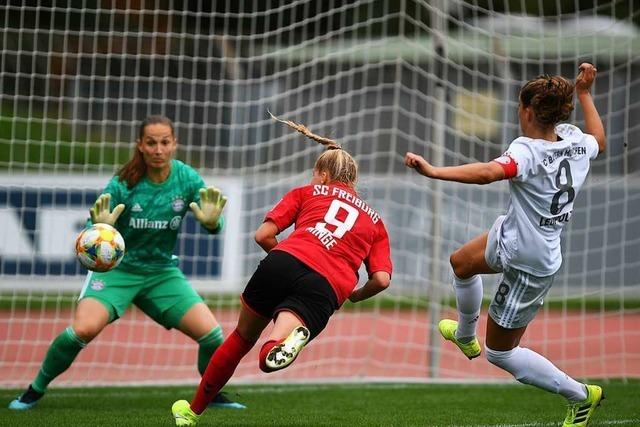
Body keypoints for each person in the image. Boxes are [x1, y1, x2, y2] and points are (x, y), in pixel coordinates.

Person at [405, 63, 606, 427]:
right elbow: (600, 142)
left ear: (527, 111)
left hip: (530, 262)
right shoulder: (576, 141)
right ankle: (466, 337)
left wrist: (434, 171)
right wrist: (586, 94)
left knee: (500, 353)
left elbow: (488, 173)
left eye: (518, 107)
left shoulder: (527, 151)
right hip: (513, 234)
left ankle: (581, 396)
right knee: (461, 262)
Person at [9, 115, 245, 410]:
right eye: (151, 143)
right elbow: (89, 233)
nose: (158, 149)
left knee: (213, 335)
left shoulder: (186, 178)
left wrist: (213, 223)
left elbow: (214, 219)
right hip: (118, 272)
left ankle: (210, 394)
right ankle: (34, 389)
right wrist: (99, 229)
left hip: (161, 273)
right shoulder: (123, 183)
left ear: (174, 144)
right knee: (82, 330)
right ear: (140, 146)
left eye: (164, 142)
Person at [171, 113, 393, 426]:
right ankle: (283, 343)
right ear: (353, 180)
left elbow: (262, 235)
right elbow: (382, 279)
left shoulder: (306, 192)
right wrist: (357, 296)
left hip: (284, 261)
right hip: (327, 285)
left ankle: (192, 412)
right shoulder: (375, 221)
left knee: (240, 339)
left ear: (322, 174)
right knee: (271, 351)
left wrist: (288, 255)